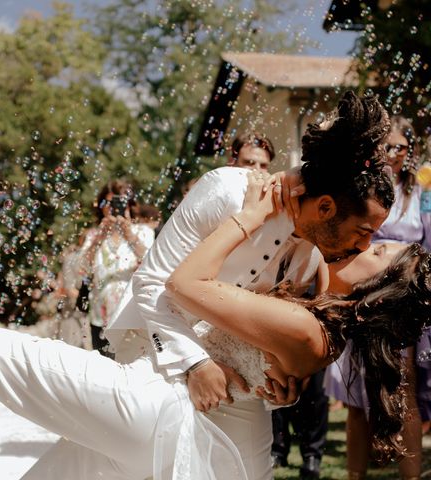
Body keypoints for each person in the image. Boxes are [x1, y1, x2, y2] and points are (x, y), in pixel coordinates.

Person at [0, 172, 428, 480]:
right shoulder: (315, 292)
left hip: (180, 425)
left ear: (374, 289)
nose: (366, 244)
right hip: (195, 430)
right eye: (369, 236)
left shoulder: (315, 332)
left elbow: (181, 286)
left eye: (375, 251)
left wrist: (245, 219)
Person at [102, 91, 393, 479]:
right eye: (363, 232)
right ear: (326, 207)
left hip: (234, 382)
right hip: (155, 348)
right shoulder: (228, 191)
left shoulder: (316, 253)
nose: (364, 246)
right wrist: (195, 364)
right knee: (139, 469)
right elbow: (152, 282)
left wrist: (289, 379)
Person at [325, 115, 431, 480]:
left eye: (399, 147)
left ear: (410, 150)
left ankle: (411, 476)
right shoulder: (364, 187)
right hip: (360, 292)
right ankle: (355, 475)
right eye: (385, 147)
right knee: (356, 394)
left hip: (401, 298)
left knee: (404, 390)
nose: (392, 154)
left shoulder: (420, 191)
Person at [80, 179, 154, 355]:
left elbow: (152, 263)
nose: (113, 208)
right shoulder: (94, 235)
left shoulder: (143, 232)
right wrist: (99, 239)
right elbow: (83, 268)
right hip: (100, 316)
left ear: (128, 205)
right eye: (108, 203)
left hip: (133, 315)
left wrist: (129, 235)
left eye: (120, 203)